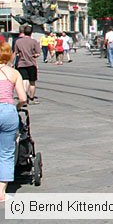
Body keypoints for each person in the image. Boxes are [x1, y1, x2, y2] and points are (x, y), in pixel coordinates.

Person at [0, 41, 28, 202]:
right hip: (8, 112)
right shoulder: (14, 73)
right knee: (6, 152)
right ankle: (1, 192)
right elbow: (23, 98)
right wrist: (16, 105)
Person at [13, 25, 40, 104]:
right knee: (32, 82)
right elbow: (38, 53)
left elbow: (16, 52)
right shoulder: (34, 41)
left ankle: (24, 98)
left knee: (24, 80)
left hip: (21, 63)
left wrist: (11, 63)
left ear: (23, 32)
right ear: (31, 33)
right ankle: (31, 98)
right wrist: (34, 55)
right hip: (31, 64)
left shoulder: (18, 41)